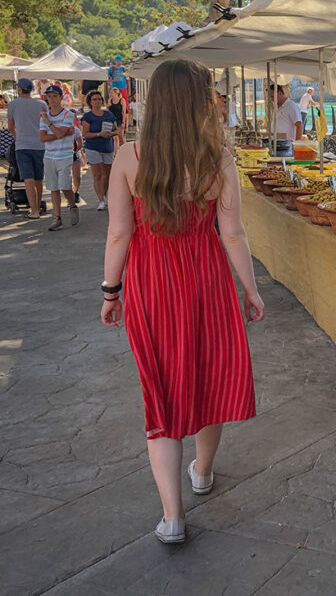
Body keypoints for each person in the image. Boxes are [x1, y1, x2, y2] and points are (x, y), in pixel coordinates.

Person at [100, 58, 263, 545]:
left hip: (152, 283)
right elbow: (232, 234)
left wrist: (111, 291)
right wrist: (251, 290)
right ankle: (203, 472)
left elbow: (118, 234)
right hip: (207, 279)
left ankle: (173, 518)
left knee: (163, 391)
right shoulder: (219, 159)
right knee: (209, 378)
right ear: (200, 102)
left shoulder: (129, 156)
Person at [39, 84, 79, 231]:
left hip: (65, 155)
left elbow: (60, 133)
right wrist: (61, 133)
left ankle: (72, 205)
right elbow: (43, 138)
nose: (52, 99)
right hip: (49, 155)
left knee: (64, 185)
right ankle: (57, 218)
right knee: (53, 188)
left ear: (61, 97)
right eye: (49, 97)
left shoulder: (67, 114)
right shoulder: (44, 116)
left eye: (55, 96)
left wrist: (50, 124)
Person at [7, 78, 47, 218]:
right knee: (38, 178)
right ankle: (38, 207)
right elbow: (47, 123)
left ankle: (34, 210)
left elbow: (10, 127)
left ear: (19, 89)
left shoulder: (13, 104)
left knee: (28, 178)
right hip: (40, 144)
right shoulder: (41, 104)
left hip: (23, 145)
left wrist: (18, 137)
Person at [81, 89, 117, 210]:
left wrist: (111, 133)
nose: (97, 101)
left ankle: (105, 195)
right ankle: (101, 199)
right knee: (98, 174)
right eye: (94, 99)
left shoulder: (109, 115)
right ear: (90, 102)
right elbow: (85, 133)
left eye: (99, 99)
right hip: (93, 147)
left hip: (107, 147)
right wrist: (98, 134)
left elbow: (116, 130)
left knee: (107, 175)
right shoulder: (87, 116)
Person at [270, 84, 301, 156]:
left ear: (279, 93)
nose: (271, 99)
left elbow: (299, 125)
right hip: (276, 146)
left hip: (287, 148)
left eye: (272, 96)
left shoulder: (291, 106)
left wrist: (297, 145)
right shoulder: (277, 107)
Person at [108, 87, 126, 152]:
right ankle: (115, 152)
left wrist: (123, 122)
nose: (110, 94)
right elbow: (108, 111)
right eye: (110, 92)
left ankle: (123, 150)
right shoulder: (110, 100)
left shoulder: (122, 100)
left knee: (121, 137)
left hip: (119, 120)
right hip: (112, 121)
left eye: (112, 92)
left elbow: (124, 112)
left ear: (116, 93)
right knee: (114, 138)